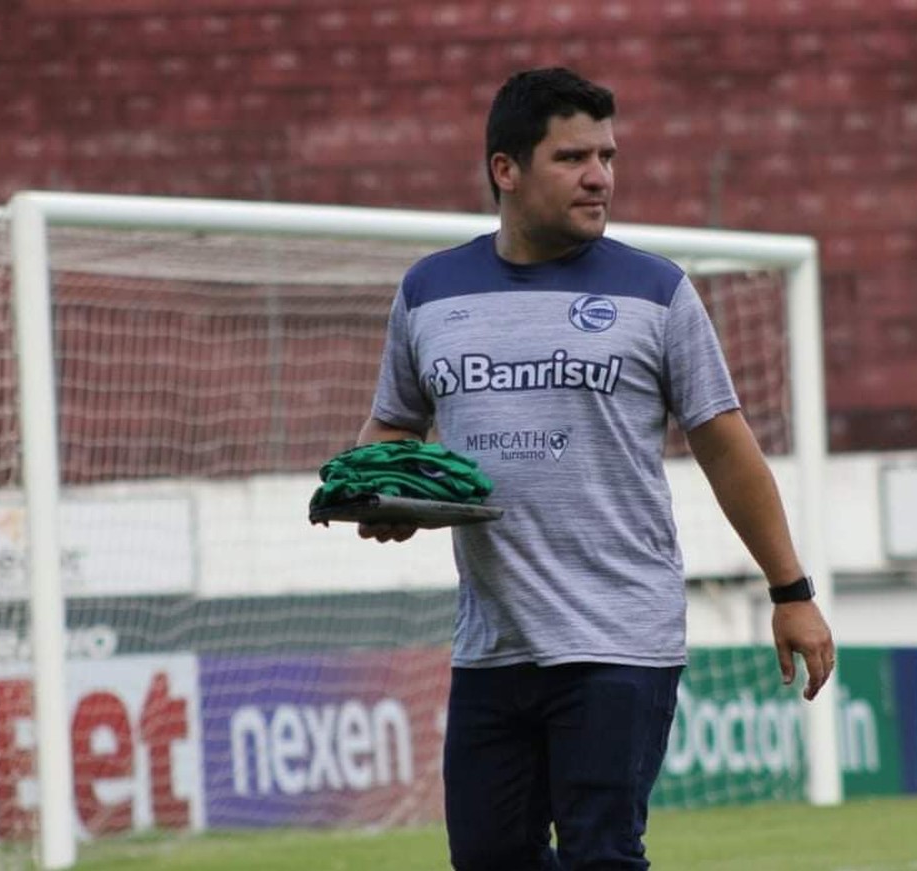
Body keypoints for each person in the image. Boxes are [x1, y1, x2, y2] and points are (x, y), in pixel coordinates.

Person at [354, 67, 835, 871]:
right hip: (493, 642)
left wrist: (791, 592)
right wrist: (378, 492)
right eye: (573, 157)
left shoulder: (657, 291)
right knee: (488, 857)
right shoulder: (429, 291)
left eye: (608, 156)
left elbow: (726, 444)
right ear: (506, 169)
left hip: (620, 634)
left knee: (602, 854)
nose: (600, 177)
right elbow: (394, 427)